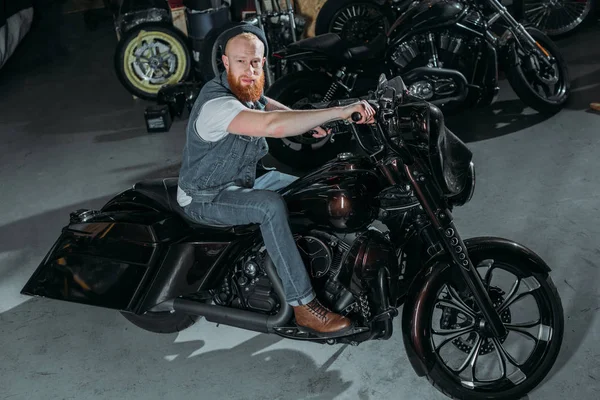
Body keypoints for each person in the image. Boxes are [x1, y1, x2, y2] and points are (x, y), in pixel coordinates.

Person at [176, 25, 376, 336]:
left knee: (312, 186)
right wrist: (337, 112)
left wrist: (303, 124)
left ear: (263, 61)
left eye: (255, 62)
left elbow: (265, 104)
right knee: (269, 207)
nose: (250, 69)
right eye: (241, 62)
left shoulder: (243, 88)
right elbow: (269, 123)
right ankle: (303, 305)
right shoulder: (217, 104)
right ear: (225, 63)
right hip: (205, 196)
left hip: (241, 180)